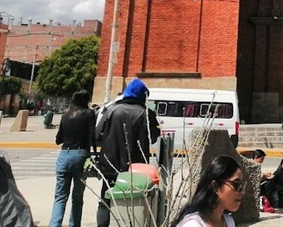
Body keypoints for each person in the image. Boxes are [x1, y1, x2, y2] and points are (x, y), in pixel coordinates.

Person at [96, 79, 161, 227]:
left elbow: (97, 135)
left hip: (110, 165)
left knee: (105, 201)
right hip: (135, 169)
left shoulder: (111, 110)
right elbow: (155, 136)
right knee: (134, 204)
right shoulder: (146, 113)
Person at [49, 90, 95, 227]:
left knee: (60, 197)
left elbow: (58, 139)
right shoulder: (89, 114)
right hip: (81, 154)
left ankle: (54, 224)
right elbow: (92, 136)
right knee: (77, 197)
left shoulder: (65, 115)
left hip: (64, 155)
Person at [170, 156, 246, 227]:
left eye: (242, 185)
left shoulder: (229, 222)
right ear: (215, 186)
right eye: (237, 184)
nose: (242, 192)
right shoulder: (193, 224)